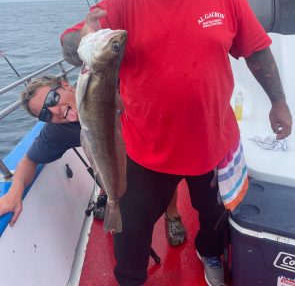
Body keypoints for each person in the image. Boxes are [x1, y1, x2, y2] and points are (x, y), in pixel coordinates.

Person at [60, 0, 292, 286]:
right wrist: (82, 39)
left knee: (217, 220)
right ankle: (130, 279)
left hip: (213, 148)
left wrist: (279, 103)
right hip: (145, 155)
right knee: (130, 237)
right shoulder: (125, 1)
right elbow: (69, 43)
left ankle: (209, 255)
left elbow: (257, 52)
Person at [0, 76, 186, 247]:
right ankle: (107, 190)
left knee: (163, 172)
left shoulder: (102, 88)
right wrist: (15, 192)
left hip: (146, 146)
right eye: (45, 115)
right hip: (112, 161)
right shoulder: (57, 131)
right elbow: (28, 161)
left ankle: (172, 215)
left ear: (66, 85)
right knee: (101, 155)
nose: (55, 111)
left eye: (52, 99)